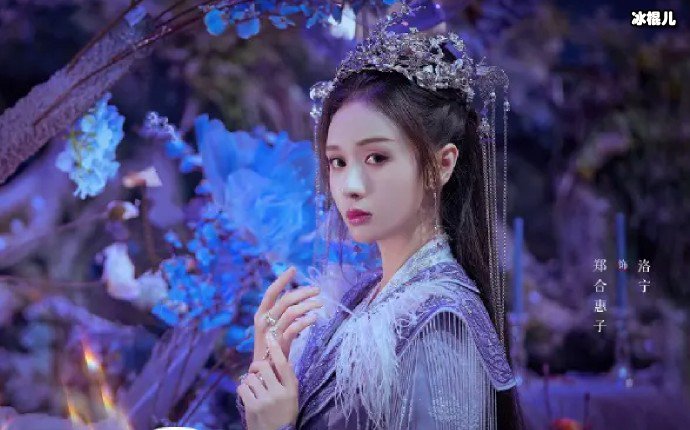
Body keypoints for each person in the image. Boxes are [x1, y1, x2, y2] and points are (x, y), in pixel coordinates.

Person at [235, 2, 525, 429]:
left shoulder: (441, 322)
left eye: (376, 157)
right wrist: (272, 376)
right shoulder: (360, 298)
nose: (350, 185)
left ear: (443, 164)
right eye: (337, 162)